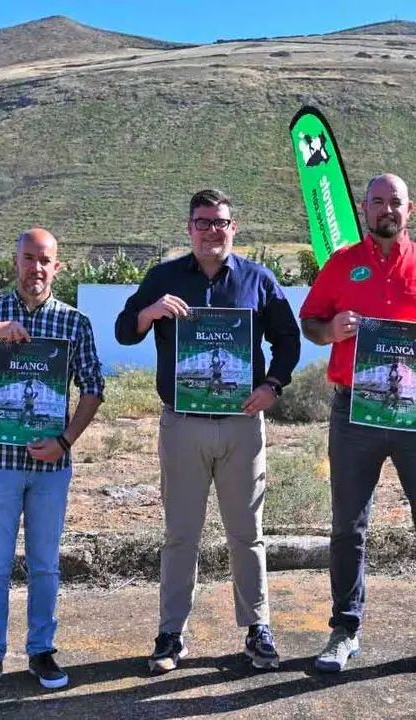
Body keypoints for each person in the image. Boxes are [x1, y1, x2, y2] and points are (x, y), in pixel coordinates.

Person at [299, 173, 416, 676]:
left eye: (394, 202)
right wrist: (329, 330)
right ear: (364, 208)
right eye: (377, 201)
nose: (386, 210)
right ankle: (344, 630)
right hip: (354, 413)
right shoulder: (341, 265)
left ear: (409, 210)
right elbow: (309, 322)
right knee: (348, 528)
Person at [115, 189, 301, 673]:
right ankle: (170, 634)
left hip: (242, 425)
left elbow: (287, 339)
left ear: (233, 228)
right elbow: (122, 329)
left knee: (248, 534)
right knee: (180, 535)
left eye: (220, 222)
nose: (211, 231)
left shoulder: (258, 280)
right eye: (202, 222)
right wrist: (150, 312)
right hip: (183, 425)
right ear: (189, 228)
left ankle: (258, 629)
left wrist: (273, 386)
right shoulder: (164, 277)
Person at [0, 228, 105, 697]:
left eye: (45, 260)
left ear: (58, 267)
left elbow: (93, 389)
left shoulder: (74, 323)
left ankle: (41, 650)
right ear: (16, 262)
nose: (36, 268)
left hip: (51, 468)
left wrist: (65, 440)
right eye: (28, 258)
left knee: (44, 564)